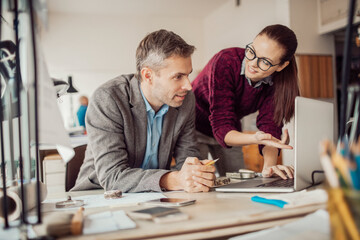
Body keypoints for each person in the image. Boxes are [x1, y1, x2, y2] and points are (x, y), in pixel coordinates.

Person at [72, 29, 216, 193]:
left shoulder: (185, 100)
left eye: (188, 75)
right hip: (100, 194)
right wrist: (174, 179)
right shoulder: (108, 99)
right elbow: (112, 176)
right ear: (148, 75)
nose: (188, 86)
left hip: (155, 195)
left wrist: (196, 174)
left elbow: (188, 156)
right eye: (178, 77)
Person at [192, 24, 300, 179]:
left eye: (265, 62)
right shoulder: (226, 60)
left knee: (237, 180)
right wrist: (255, 138)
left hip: (231, 129)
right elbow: (221, 124)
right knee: (199, 180)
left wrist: (269, 167)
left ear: (281, 66)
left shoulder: (278, 85)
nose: (253, 63)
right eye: (252, 52)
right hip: (194, 125)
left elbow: (270, 127)